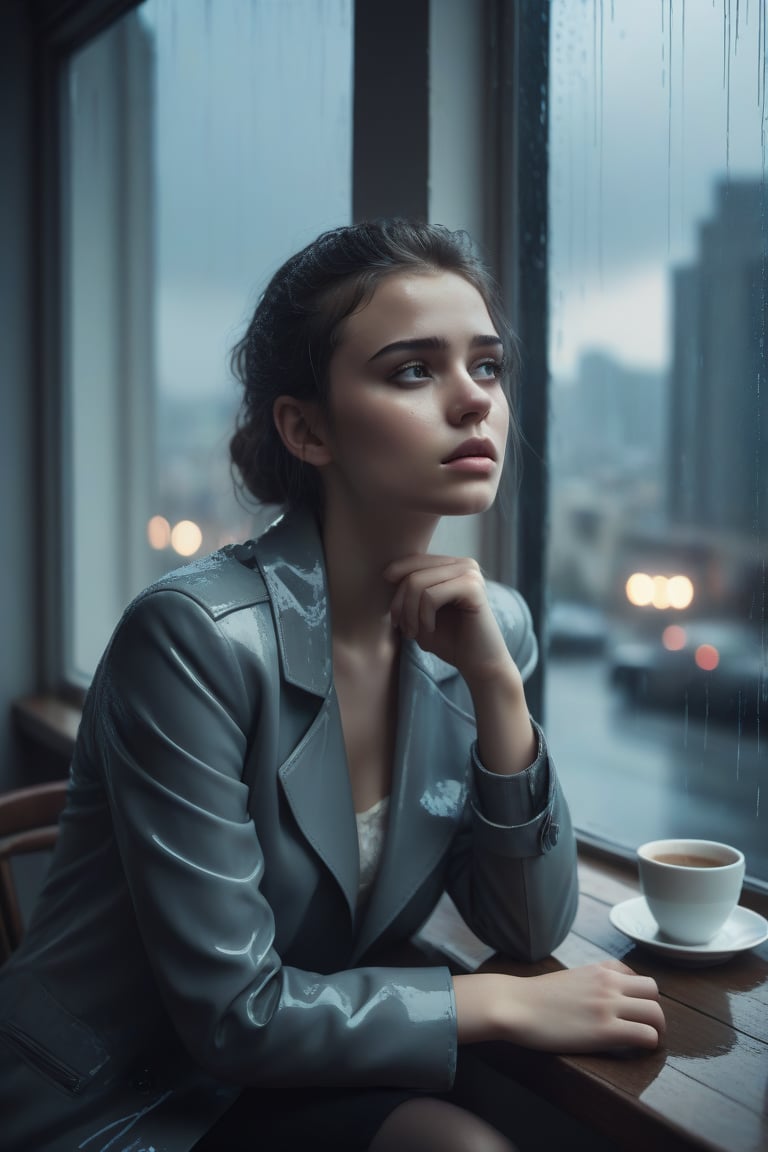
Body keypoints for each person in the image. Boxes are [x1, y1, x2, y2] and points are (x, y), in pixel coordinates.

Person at [0, 220, 664, 1152]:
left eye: (488, 366)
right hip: (112, 1105)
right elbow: (235, 1012)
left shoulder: (489, 628)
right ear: (306, 428)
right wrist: (500, 1008)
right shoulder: (194, 640)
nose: (474, 402)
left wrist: (496, 690)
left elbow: (527, 920)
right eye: (412, 371)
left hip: (275, 1086)